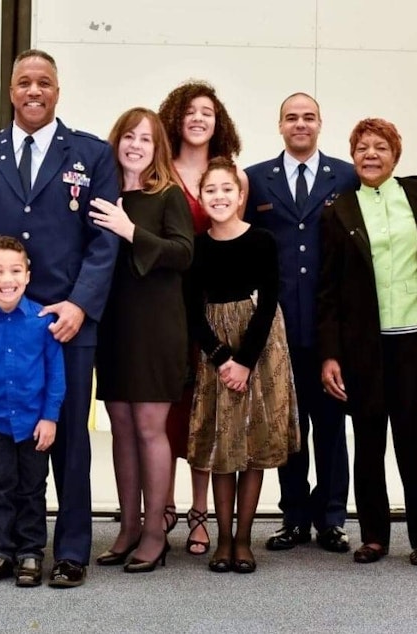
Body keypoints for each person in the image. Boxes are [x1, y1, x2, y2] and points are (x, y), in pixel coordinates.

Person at [0, 49, 119, 588]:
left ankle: (69, 550)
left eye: (43, 82)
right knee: (0, 437)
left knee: (68, 441)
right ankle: (3, 544)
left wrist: (80, 303)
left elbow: (103, 239)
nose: (33, 91)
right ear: (10, 90)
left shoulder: (92, 155)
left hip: (67, 322)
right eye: (23, 82)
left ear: (57, 90)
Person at [246, 93, 356, 553]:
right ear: (279, 125)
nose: (300, 124)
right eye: (291, 117)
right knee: (289, 429)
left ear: (320, 124)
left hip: (330, 329)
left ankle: (331, 518)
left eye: (308, 117)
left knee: (330, 426)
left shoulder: (346, 176)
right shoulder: (256, 180)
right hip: (277, 329)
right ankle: (293, 517)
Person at [90, 108, 193, 572]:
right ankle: (128, 526)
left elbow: (183, 254)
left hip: (156, 326)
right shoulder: (103, 194)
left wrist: (130, 230)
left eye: (146, 140)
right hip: (112, 324)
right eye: (128, 136)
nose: (135, 145)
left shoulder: (168, 194)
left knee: (151, 429)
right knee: (121, 427)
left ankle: (155, 531)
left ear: (158, 150)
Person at [188, 157, 299, 574]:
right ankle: (221, 539)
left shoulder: (262, 240)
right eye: (211, 190)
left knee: (251, 445)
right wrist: (221, 360)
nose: (219, 196)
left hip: (259, 345)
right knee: (223, 444)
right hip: (216, 350)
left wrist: (246, 362)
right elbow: (191, 310)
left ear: (241, 195)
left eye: (227, 189)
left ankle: (243, 538)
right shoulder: (198, 245)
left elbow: (269, 300)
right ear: (201, 197)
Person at [317, 118, 417, 566]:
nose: (370, 154)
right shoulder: (339, 209)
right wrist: (330, 354)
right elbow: (329, 290)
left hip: (412, 342)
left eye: (380, 147)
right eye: (362, 148)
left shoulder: (415, 195)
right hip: (364, 347)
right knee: (370, 442)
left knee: (415, 442)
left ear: (396, 155)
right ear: (353, 156)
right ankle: (374, 535)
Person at [157, 80, 247, 555]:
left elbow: (234, 242)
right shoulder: (161, 172)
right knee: (169, 405)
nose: (198, 118)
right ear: (175, 118)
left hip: (212, 311)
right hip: (167, 304)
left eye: (207, 111)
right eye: (189, 110)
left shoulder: (233, 175)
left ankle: (199, 510)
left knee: (204, 410)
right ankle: (164, 504)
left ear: (218, 120)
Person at [0, 236, 65, 586]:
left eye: (15, 271)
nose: (8, 279)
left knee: (33, 489)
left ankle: (31, 554)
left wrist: (50, 417)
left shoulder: (41, 320)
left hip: (35, 424)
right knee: (0, 487)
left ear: (28, 276)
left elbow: (55, 375)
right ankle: (1, 552)